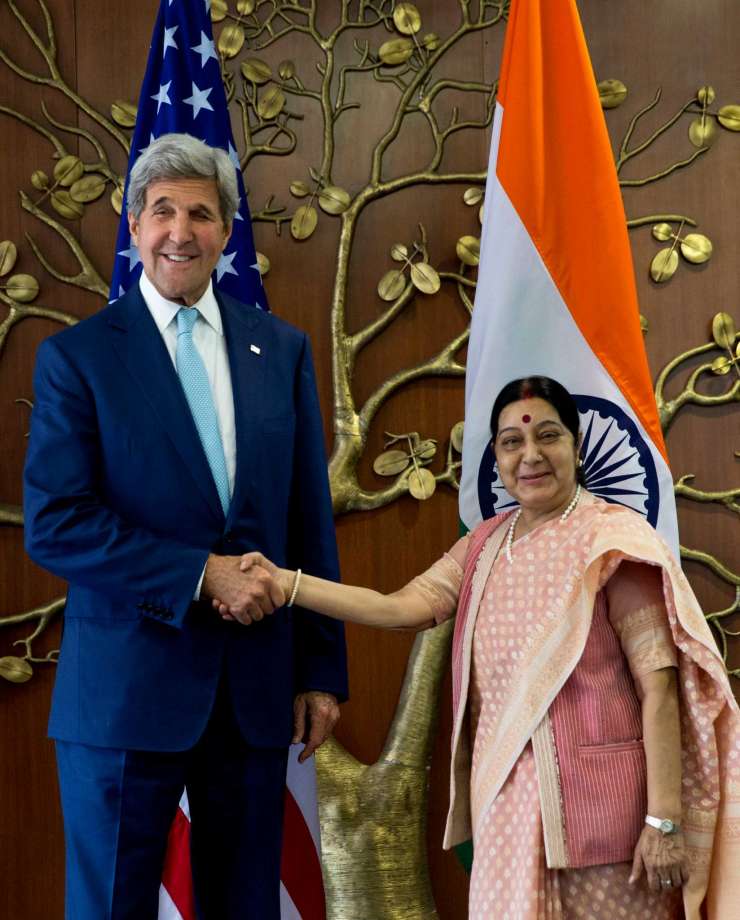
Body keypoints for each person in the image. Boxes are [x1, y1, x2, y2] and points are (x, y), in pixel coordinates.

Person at [229, 376, 740, 920]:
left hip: (604, 819)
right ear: (495, 455)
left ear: (576, 445)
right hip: (507, 814)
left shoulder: (612, 542)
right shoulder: (484, 545)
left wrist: (663, 821)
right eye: (512, 442)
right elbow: (397, 608)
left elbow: (659, 691)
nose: (531, 456)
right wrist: (289, 585)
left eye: (549, 436)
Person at [23, 133, 347, 920]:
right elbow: (57, 524)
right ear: (133, 226)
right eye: (162, 210)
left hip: (254, 689)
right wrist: (202, 574)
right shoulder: (77, 358)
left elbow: (308, 518)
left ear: (225, 232)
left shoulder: (284, 351)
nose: (181, 230)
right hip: (126, 691)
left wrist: (321, 670)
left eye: (201, 213)